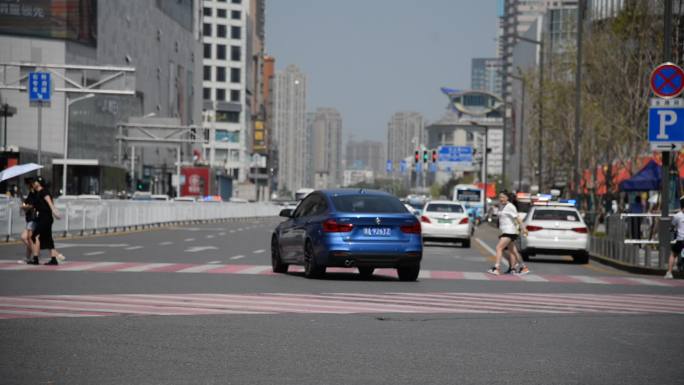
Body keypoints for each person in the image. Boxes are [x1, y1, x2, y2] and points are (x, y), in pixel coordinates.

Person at [487, 191, 530, 276]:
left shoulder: (510, 206)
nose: (501, 199)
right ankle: (524, 267)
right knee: (513, 251)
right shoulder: (502, 206)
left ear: (507, 198)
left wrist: (524, 228)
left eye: (503, 197)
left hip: (509, 231)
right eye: (500, 197)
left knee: (499, 248)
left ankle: (497, 268)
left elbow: (517, 218)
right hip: (505, 231)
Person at [29, 177, 65, 265]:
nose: (33, 183)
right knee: (48, 238)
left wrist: (55, 212)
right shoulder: (37, 193)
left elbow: (50, 203)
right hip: (42, 217)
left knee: (35, 236)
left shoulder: (44, 191)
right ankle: (53, 259)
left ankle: (36, 258)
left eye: (35, 182)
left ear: (39, 183)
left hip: (45, 217)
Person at [664, 196, 684, 279]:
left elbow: (672, 226)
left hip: (680, 240)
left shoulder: (677, 216)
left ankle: (669, 272)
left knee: (673, 254)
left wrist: (672, 229)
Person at [20, 177, 38, 264]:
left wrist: (25, 206)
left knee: (24, 237)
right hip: (29, 218)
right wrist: (24, 203)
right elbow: (27, 203)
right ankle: (28, 258)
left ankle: (35, 253)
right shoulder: (31, 193)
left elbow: (33, 205)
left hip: (33, 218)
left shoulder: (34, 193)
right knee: (28, 238)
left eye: (26, 184)